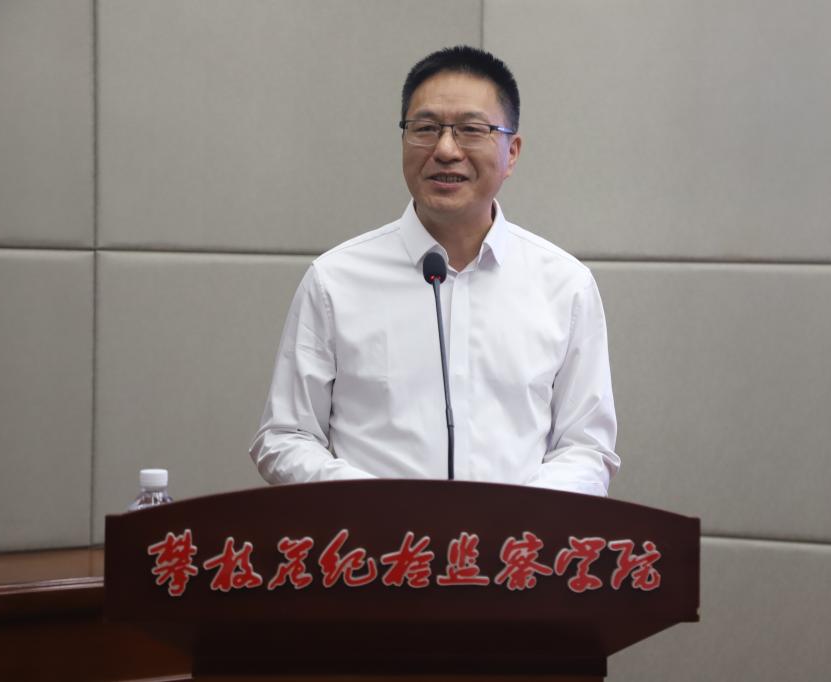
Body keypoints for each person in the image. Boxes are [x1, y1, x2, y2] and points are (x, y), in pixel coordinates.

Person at [250, 46, 619, 496]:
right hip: (375, 537)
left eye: (471, 130)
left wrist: (518, 515)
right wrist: (374, 505)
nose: (445, 150)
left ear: (512, 152)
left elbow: (587, 448)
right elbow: (285, 436)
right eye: (425, 129)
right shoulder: (335, 280)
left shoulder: (565, 286)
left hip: (516, 539)